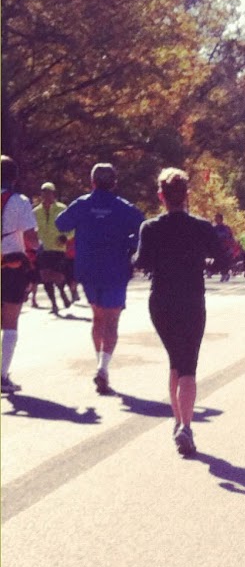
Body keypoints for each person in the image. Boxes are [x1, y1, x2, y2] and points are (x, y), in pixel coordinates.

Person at [133, 169, 222, 457]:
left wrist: (135, 256)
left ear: (161, 196)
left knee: (176, 360)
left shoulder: (150, 228)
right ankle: (186, 426)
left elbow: (142, 262)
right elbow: (224, 259)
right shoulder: (202, 227)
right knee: (188, 365)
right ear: (187, 195)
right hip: (191, 300)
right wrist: (204, 263)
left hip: (161, 302)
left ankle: (177, 421)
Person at [53, 162, 145, 395]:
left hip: (87, 270)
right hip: (115, 270)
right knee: (112, 320)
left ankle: (99, 364)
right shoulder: (124, 207)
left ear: (92, 182)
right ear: (114, 183)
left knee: (98, 317)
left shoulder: (82, 204)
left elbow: (60, 223)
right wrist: (131, 244)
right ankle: (103, 368)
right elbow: (143, 228)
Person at [1, 155, 40, 395]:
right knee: (10, 321)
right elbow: (30, 239)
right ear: (14, 178)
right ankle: (2, 375)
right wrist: (37, 249)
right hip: (11, 265)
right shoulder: (20, 202)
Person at [31, 181, 72, 314]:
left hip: (58, 247)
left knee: (57, 275)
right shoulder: (35, 211)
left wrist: (66, 237)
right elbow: (30, 229)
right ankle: (54, 304)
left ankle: (62, 292)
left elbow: (72, 227)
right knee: (45, 276)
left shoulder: (62, 208)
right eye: (44, 192)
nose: (46, 195)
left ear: (54, 194)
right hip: (43, 248)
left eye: (49, 192)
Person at [211, 213, 237, 282]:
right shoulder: (214, 228)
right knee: (219, 260)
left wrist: (232, 246)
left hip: (226, 247)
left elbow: (230, 237)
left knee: (225, 260)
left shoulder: (226, 228)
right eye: (215, 218)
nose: (216, 220)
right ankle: (224, 273)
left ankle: (225, 273)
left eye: (217, 218)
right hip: (217, 247)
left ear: (221, 219)